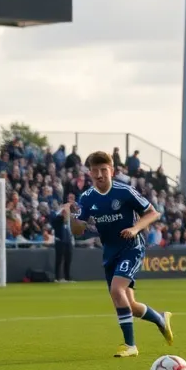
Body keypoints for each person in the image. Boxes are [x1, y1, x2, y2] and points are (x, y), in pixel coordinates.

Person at [64, 151, 173, 357]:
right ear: (89, 173)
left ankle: (130, 345)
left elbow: (153, 213)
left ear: (112, 171)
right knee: (129, 305)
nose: (99, 174)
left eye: (103, 170)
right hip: (110, 252)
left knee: (116, 290)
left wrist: (134, 229)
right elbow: (78, 231)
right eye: (94, 171)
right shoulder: (87, 197)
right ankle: (160, 319)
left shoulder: (124, 191)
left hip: (131, 247)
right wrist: (72, 217)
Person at [49, 193, 75, 282]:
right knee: (59, 260)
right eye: (64, 213)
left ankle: (67, 277)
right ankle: (57, 277)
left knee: (68, 259)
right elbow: (54, 218)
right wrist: (61, 210)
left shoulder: (67, 222)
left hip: (68, 241)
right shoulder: (57, 220)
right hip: (60, 241)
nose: (66, 213)